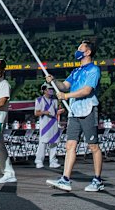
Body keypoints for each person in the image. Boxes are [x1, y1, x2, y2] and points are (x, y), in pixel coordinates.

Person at [45, 40, 104, 192]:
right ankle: (65, 179)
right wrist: (54, 81)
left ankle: (97, 180)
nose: (77, 50)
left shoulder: (94, 70)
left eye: (80, 48)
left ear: (88, 52)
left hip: (89, 109)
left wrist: (66, 96)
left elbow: (86, 91)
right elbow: (64, 86)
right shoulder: (76, 71)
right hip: (74, 112)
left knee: (93, 146)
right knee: (70, 145)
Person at [34, 83, 63, 169]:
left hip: (53, 123)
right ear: (44, 90)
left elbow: (55, 112)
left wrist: (60, 111)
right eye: (49, 89)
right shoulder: (39, 100)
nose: (51, 91)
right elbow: (36, 113)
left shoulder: (54, 100)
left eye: (52, 89)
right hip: (44, 125)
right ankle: (39, 161)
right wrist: (44, 112)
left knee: (54, 143)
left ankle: (53, 161)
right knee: (43, 143)